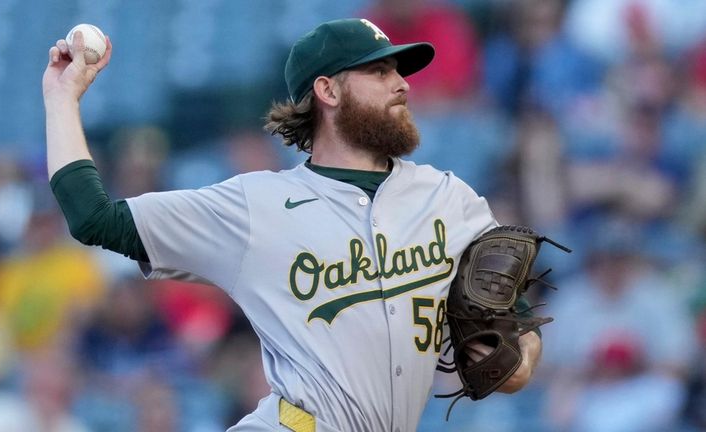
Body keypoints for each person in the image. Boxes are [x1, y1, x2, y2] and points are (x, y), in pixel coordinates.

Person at [42, 18, 543, 432]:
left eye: (399, 70)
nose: (402, 83)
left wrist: (516, 359)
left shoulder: (450, 198)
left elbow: (515, 347)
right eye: (380, 70)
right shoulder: (256, 206)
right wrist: (62, 99)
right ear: (327, 89)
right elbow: (95, 219)